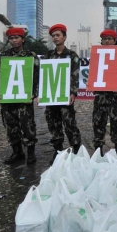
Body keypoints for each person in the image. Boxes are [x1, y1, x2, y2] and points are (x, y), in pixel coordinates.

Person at [0, 28, 40, 165]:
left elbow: (37, 76)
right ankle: (17, 151)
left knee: (27, 125)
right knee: (10, 125)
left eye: (17, 37)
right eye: (11, 38)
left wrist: (35, 92)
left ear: (23, 39)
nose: (14, 40)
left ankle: (30, 152)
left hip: (24, 97)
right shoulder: (3, 55)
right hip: (7, 97)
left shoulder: (30, 55)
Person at [43, 24, 82, 164]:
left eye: (58, 35)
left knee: (69, 121)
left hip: (65, 94)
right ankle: (58, 150)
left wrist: (73, 92)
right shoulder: (48, 56)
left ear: (64, 37)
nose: (55, 38)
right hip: (51, 95)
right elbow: (43, 75)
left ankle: (77, 149)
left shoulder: (72, 55)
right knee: (53, 122)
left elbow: (75, 75)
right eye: (53, 36)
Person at [93, 29, 117, 161]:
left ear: (115, 41)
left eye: (110, 39)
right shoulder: (96, 55)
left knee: (116, 122)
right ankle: (98, 149)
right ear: (101, 41)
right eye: (104, 39)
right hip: (100, 96)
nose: (107, 41)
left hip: (116, 97)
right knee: (98, 122)